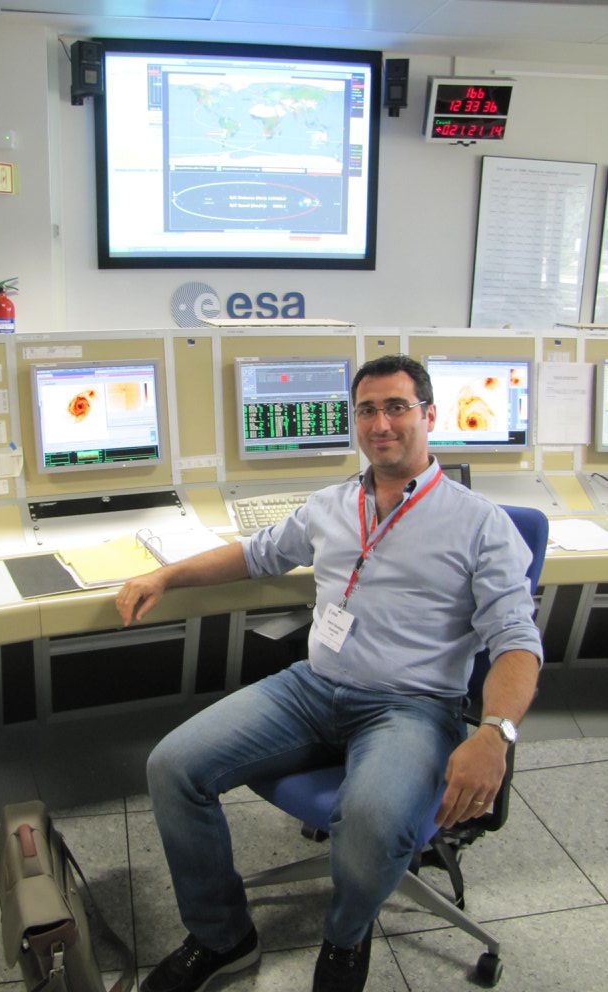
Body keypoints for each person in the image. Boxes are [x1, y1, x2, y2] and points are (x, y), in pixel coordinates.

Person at [115, 354, 542, 992]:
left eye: (397, 407)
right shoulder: (331, 504)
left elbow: (516, 641)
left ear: (429, 415)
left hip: (413, 706)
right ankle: (222, 937)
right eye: (367, 410)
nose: (381, 423)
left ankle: (345, 939)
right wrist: (167, 575)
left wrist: (495, 732)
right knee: (172, 766)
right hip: (311, 689)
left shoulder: (482, 524)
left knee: (371, 820)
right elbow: (256, 554)